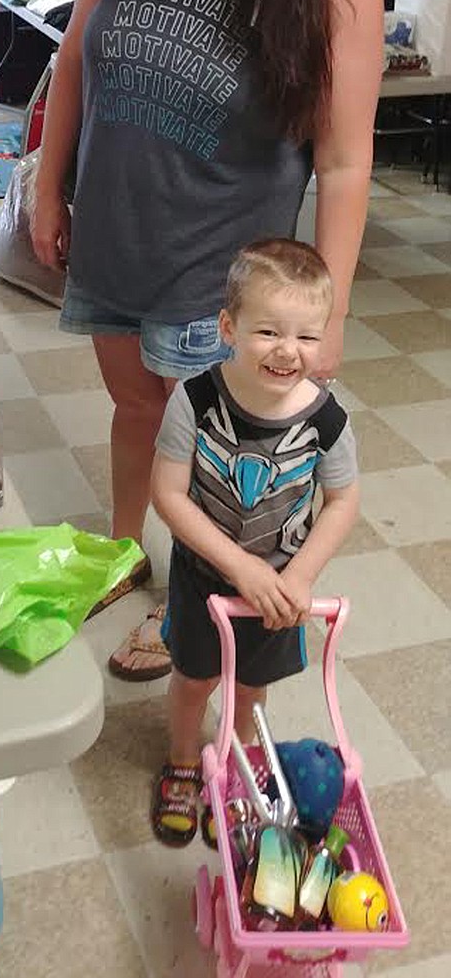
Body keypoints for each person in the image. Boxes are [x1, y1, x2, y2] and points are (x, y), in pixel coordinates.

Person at [30, 0, 383, 665]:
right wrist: (48, 187)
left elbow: (346, 159)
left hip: (222, 264)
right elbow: (77, 54)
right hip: (117, 230)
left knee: (211, 461)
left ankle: (182, 612)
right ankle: (120, 555)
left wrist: (330, 313)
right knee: (136, 411)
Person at [150, 238, 359, 844]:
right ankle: (185, 763)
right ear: (228, 326)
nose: (287, 351)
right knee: (194, 679)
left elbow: (343, 502)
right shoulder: (194, 400)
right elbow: (169, 495)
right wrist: (238, 566)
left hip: (278, 591)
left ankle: (238, 773)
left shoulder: (328, 423)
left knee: (250, 689)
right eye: (268, 331)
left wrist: (298, 577)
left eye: (306, 337)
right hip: (204, 576)